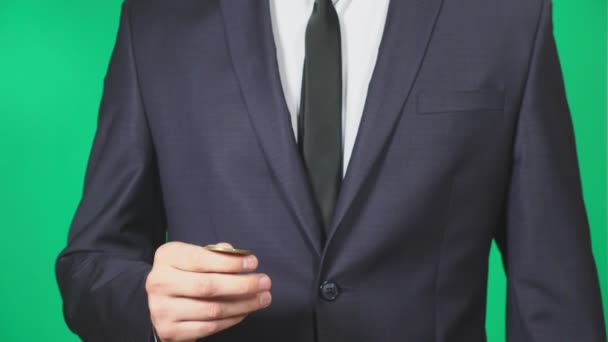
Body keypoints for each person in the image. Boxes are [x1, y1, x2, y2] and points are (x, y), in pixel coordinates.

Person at [56, 0, 607, 341]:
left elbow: (556, 300)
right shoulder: (159, 18)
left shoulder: (506, 15)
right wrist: (146, 304)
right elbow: (89, 265)